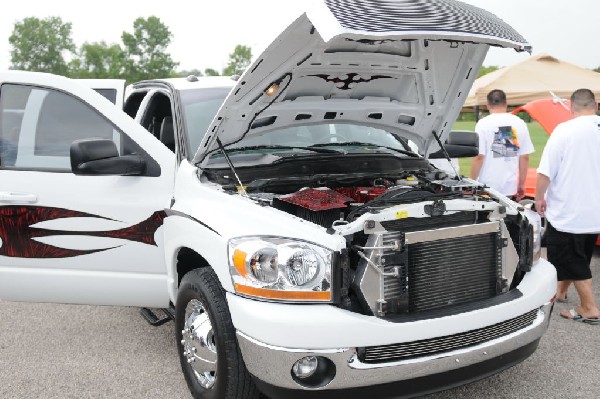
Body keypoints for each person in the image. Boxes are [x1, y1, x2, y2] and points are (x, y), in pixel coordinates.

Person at [535, 88, 600, 324]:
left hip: (569, 211)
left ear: (571, 106)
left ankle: (589, 307)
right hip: (595, 211)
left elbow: (545, 172)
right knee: (579, 253)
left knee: (569, 257)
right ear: (596, 106)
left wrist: (539, 198)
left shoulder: (565, 130)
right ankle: (561, 292)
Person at [471, 89, 534, 199]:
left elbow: (479, 157)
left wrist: (471, 182)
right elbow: (524, 157)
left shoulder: (483, 124)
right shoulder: (519, 123)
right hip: (509, 185)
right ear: (506, 103)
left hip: (487, 184)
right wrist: (521, 184)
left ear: (488, 105)